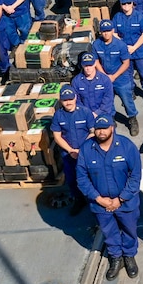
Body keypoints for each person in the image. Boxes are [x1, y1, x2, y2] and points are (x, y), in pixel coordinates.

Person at [76, 115, 142, 281]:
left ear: (112, 128)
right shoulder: (86, 149)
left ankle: (129, 255)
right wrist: (98, 199)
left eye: (105, 128)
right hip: (100, 205)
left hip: (126, 203)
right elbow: (82, 179)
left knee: (129, 229)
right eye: (98, 129)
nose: (101, 132)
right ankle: (116, 258)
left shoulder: (126, 147)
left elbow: (135, 176)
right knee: (109, 232)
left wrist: (120, 199)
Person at [51, 85, 93, 215]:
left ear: (75, 97)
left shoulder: (85, 112)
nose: (68, 102)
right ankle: (79, 200)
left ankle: (95, 201)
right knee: (72, 178)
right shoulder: (58, 115)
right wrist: (71, 150)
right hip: (69, 155)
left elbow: (93, 132)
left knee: (92, 177)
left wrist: (82, 150)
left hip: (87, 153)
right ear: (60, 101)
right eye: (65, 100)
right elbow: (57, 136)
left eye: (70, 98)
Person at [93, 21, 138, 136]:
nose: (106, 34)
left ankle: (132, 119)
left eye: (108, 31)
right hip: (105, 78)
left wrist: (114, 76)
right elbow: (96, 61)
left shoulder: (120, 45)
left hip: (121, 78)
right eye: (103, 31)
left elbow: (126, 63)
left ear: (113, 31)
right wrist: (104, 75)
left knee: (127, 100)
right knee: (108, 102)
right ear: (100, 32)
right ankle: (111, 119)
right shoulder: (96, 44)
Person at [72, 51, 115, 122]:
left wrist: (97, 113)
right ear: (82, 65)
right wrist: (87, 114)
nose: (88, 68)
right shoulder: (76, 81)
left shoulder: (104, 80)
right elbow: (77, 100)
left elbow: (108, 99)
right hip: (85, 116)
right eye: (86, 65)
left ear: (95, 64)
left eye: (90, 65)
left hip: (104, 114)